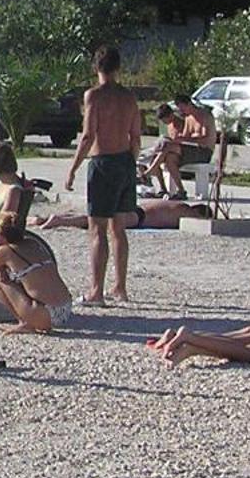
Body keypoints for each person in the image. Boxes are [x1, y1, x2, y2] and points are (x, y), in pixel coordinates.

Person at [64, 45, 143, 305]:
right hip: (124, 161)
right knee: (118, 228)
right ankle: (120, 286)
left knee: (97, 228)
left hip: (103, 161)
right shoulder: (129, 97)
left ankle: (96, 290)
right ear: (118, 67)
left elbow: (88, 136)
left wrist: (73, 168)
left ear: (96, 67)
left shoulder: (94, 96)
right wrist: (132, 163)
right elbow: (136, 137)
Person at [0, 212, 74, 333]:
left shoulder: (5, 251)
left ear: (1, 235)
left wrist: (2, 272)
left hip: (44, 314)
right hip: (66, 308)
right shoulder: (34, 243)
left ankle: (25, 323)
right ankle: (31, 320)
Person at [155, 92, 216, 199]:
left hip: (204, 152)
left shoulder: (204, 116)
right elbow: (185, 138)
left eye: (182, 108)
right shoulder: (188, 118)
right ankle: (181, 191)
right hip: (190, 151)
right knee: (170, 158)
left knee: (168, 146)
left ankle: (151, 169)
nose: (181, 112)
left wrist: (183, 139)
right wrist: (178, 138)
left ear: (189, 104)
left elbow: (205, 139)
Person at [35, 199, 212, 230]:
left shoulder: (174, 203)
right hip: (140, 217)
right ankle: (59, 221)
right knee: (96, 221)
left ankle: (43, 219)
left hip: (137, 210)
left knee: (97, 216)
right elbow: (201, 222)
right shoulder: (185, 210)